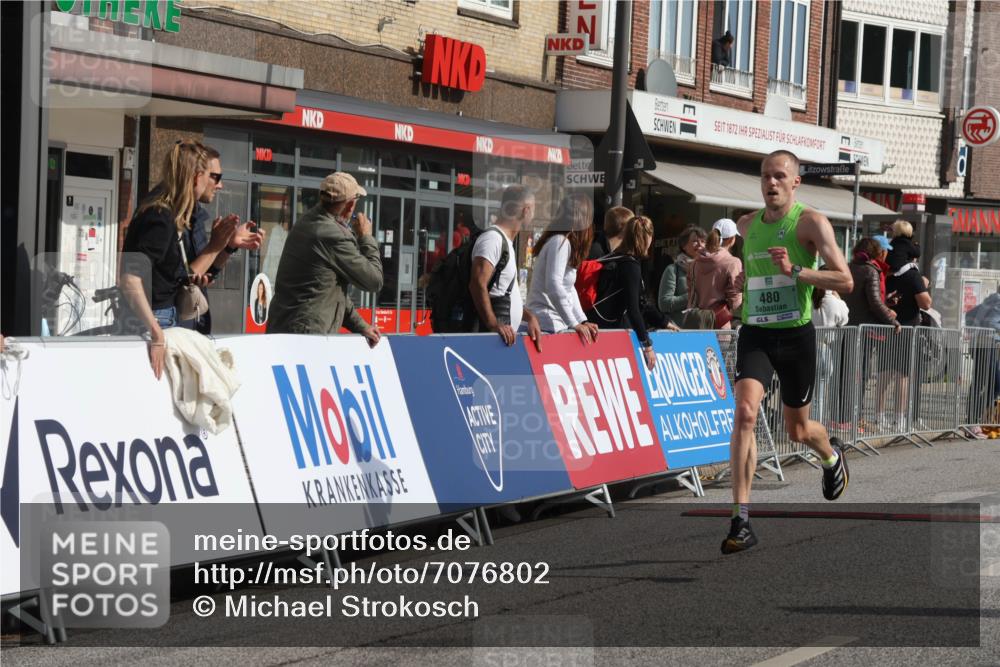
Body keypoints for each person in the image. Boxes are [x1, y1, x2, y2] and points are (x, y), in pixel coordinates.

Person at [722, 150, 854, 555]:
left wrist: (796, 272)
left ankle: (831, 456)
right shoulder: (746, 225)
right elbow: (748, 276)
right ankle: (741, 519)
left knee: (798, 430)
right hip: (757, 333)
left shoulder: (811, 222)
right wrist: (740, 287)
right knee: (745, 413)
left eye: (780, 176)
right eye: (765, 176)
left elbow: (844, 279)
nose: (771, 183)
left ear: (795, 182)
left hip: (796, 336)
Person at [120, 141, 253, 379]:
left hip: (164, 316)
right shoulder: (160, 216)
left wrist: (223, 248)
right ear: (196, 177)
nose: (219, 184)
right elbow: (130, 279)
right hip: (157, 319)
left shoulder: (169, 213)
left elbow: (175, 275)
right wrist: (157, 334)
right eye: (212, 177)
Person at [267, 171, 383, 347]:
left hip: (292, 329)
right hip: (306, 337)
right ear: (350, 205)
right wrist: (366, 237)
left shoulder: (308, 221)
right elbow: (374, 281)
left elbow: (329, 290)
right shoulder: (332, 234)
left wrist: (361, 326)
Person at [587, 215, 667, 371]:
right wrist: (647, 345)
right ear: (647, 237)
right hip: (610, 331)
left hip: (595, 324)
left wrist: (664, 321)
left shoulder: (614, 257)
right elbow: (634, 308)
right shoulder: (630, 265)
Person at [469, 185, 543, 350]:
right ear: (525, 211)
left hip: (502, 341)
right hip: (491, 341)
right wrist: (494, 324)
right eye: (533, 211)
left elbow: (501, 291)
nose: (533, 217)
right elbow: (476, 284)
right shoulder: (493, 240)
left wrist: (528, 316)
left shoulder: (505, 242)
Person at [523, 194, 599, 343]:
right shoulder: (560, 242)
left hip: (554, 323)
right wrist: (574, 323)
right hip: (546, 323)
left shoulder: (564, 243)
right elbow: (553, 285)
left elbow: (569, 289)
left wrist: (581, 321)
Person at [685, 218, 743, 329]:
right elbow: (735, 302)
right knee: (720, 347)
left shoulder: (695, 262)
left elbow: (690, 292)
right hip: (719, 323)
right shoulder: (733, 262)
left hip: (696, 323)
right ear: (732, 239)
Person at [965, 289, 1000, 438]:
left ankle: (980, 419)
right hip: (986, 345)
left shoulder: (992, 300)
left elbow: (970, 314)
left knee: (993, 383)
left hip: (983, 344)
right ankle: (973, 422)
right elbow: (991, 322)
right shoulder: (997, 301)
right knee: (984, 383)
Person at [658, 225, 706, 327]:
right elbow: (664, 304)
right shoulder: (673, 270)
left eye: (703, 241)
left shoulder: (709, 269)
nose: (700, 245)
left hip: (705, 330)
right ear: (684, 245)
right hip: (681, 331)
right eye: (695, 241)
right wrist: (692, 296)